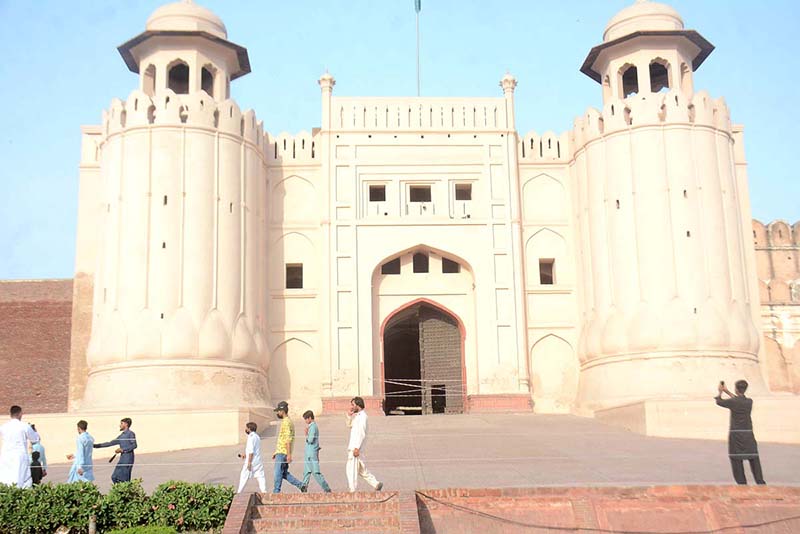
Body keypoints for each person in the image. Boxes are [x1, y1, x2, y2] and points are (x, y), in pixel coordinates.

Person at [715, 380, 766, 485]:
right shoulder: (749, 402)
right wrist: (727, 391)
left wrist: (720, 392)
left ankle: (742, 484)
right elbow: (738, 400)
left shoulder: (733, 402)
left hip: (736, 435)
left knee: (736, 459)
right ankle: (760, 482)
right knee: (753, 457)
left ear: (736, 389)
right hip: (748, 434)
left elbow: (719, 402)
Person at [346, 397, 383, 493]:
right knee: (361, 470)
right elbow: (349, 425)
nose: (352, 407)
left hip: (356, 448)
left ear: (358, 405)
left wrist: (357, 448)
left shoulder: (363, 417)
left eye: (353, 405)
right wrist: (349, 416)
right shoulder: (357, 416)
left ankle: (352, 490)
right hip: (355, 447)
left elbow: (361, 433)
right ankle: (375, 483)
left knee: (351, 469)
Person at [0, 406, 39, 488]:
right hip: (19, 455)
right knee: (23, 478)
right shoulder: (24, 426)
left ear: (10, 414)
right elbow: (35, 439)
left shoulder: (3, 427)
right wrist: (34, 430)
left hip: (6, 455)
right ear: (20, 414)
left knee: (6, 477)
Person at [272, 401, 304, 493]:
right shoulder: (288, 421)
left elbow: (288, 439)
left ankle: (276, 492)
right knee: (284, 473)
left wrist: (288, 454)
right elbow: (283, 439)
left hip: (283, 452)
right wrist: (276, 452)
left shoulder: (286, 422)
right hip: (281, 451)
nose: (277, 413)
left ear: (282, 411)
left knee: (277, 473)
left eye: (278, 411)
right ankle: (301, 486)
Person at [93, 417, 137, 484]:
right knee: (114, 477)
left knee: (125, 479)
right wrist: (96, 446)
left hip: (128, 459)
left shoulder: (131, 434)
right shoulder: (121, 436)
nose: (120, 425)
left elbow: (134, 445)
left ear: (126, 424)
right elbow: (110, 443)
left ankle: (125, 492)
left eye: (121, 423)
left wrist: (122, 449)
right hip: (122, 459)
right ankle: (120, 492)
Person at [300, 410, 331, 493]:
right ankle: (303, 488)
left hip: (311, 453)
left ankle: (326, 488)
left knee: (316, 473)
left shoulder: (313, 427)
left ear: (310, 418)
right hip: (309, 452)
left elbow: (310, 440)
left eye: (306, 419)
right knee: (306, 472)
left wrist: (306, 434)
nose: (305, 421)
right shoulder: (312, 427)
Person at [237, 422, 267, 493]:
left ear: (249, 429)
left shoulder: (251, 437)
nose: (245, 429)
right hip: (258, 460)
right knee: (260, 476)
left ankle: (239, 492)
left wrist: (249, 462)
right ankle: (264, 492)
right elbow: (254, 449)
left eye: (246, 428)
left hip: (251, 461)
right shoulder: (257, 437)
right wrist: (245, 455)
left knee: (244, 476)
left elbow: (251, 451)